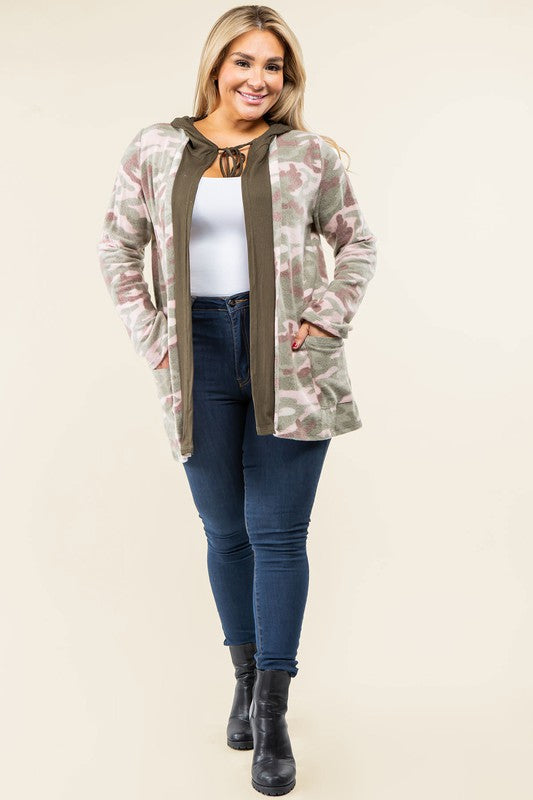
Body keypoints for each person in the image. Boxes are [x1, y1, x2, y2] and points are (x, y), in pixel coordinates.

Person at [97, 5, 377, 795]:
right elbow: (118, 243)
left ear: (287, 79)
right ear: (216, 66)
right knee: (225, 531)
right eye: (244, 62)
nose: (258, 80)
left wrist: (325, 316)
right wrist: (153, 337)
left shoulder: (308, 155)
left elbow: (356, 240)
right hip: (196, 354)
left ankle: (274, 712)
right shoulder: (156, 148)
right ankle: (245, 679)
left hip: (288, 355)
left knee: (277, 534)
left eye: (273, 67)